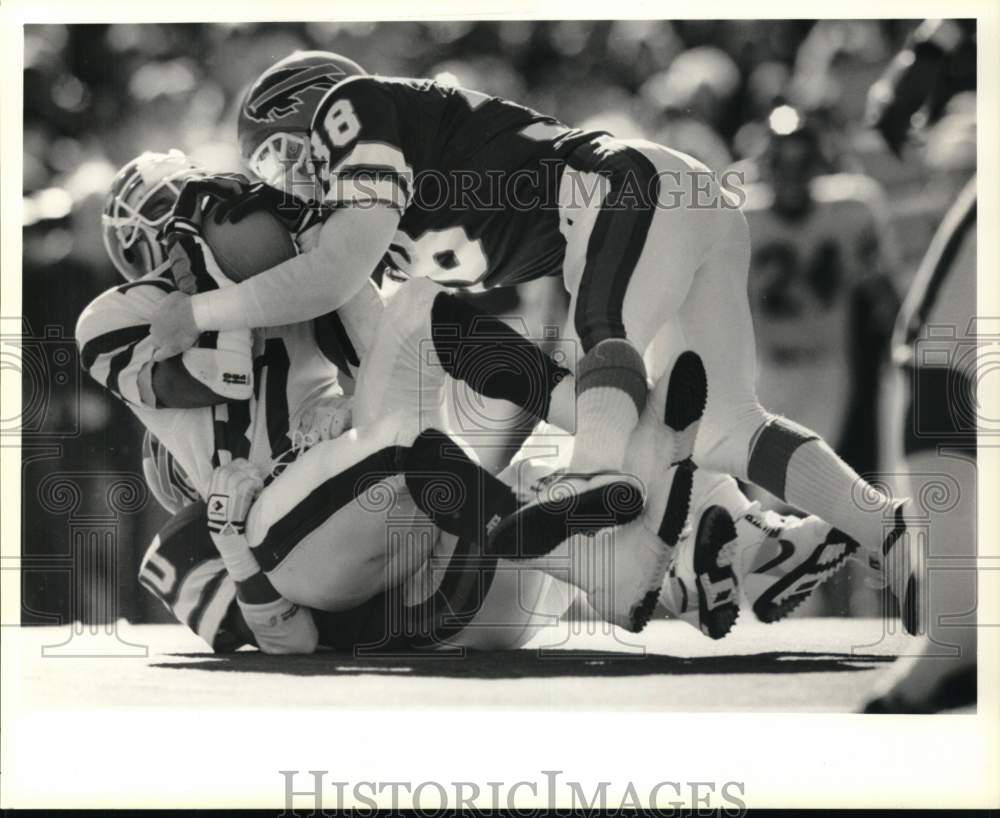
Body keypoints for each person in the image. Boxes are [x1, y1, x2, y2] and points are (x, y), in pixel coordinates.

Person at [146, 51, 920, 634]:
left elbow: (336, 272)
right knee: (726, 426)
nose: (289, 182)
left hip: (625, 187)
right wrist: (349, 404)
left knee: (603, 331)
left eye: (284, 155)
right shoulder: (379, 229)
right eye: (271, 171)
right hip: (673, 201)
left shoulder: (355, 108)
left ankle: (591, 479)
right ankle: (873, 528)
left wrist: (202, 313)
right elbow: (403, 337)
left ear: (315, 108)